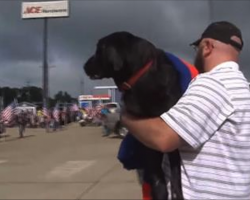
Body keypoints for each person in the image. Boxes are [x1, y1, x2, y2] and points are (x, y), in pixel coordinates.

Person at [121, 21, 250, 199]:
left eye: (196, 48)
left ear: (207, 46)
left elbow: (163, 138)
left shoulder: (213, 84)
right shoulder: (244, 89)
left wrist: (127, 117)